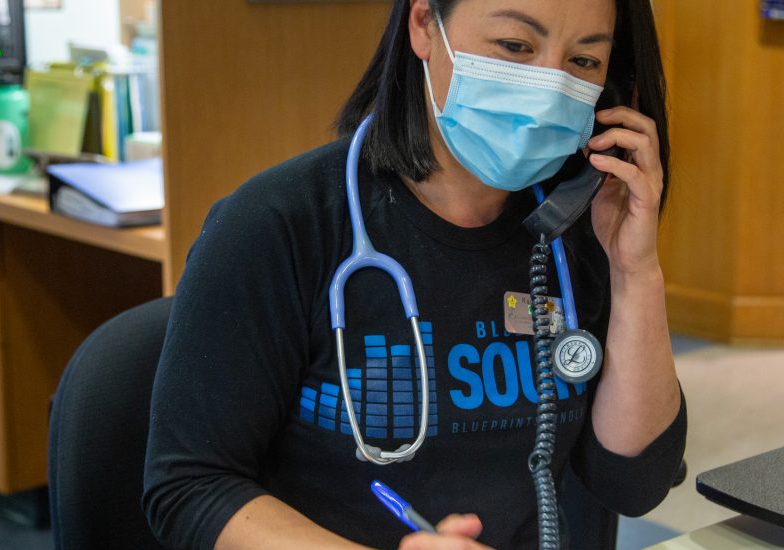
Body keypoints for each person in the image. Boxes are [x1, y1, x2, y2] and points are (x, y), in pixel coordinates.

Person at [142, 0, 687, 548]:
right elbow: (189, 488)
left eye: (585, 62)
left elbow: (633, 484)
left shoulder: (575, 226)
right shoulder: (276, 224)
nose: (548, 88)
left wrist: (635, 270)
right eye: (515, 47)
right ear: (425, 25)